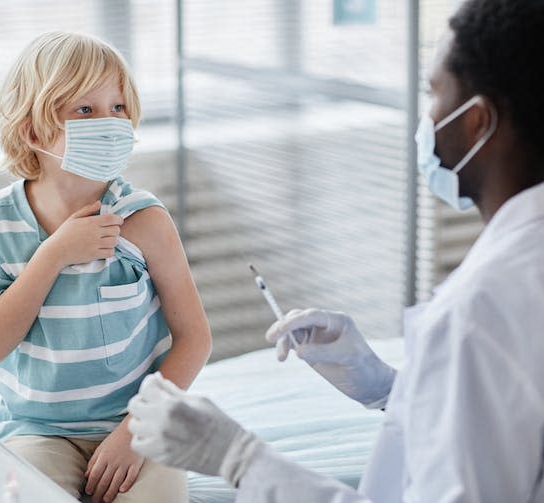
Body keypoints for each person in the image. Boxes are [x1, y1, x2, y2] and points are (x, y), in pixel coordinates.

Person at [127, 0, 544, 500]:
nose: (427, 119)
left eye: (434, 94)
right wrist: (385, 385)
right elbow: (504, 419)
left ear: (477, 121)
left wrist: (239, 458)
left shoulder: (481, 308)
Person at [0, 32, 211, 503]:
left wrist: (134, 432)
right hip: (38, 430)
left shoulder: (144, 221)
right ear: (34, 131)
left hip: (138, 425)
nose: (111, 123)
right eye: (85, 110)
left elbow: (195, 337)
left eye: (118, 108)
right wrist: (54, 254)